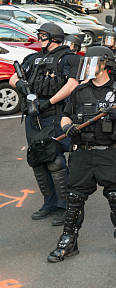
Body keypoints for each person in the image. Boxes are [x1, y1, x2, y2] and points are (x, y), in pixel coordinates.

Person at [47, 46, 116, 262]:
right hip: (82, 154)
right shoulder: (79, 91)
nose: (87, 66)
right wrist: (67, 127)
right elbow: (65, 116)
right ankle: (68, 241)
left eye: (92, 62)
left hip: (110, 154)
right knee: (74, 197)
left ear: (104, 64)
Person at [9, 23, 80, 226]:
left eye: (43, 35)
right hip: (33, 115)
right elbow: (15, 77)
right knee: (37, 159)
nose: (40, 39)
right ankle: (49, 203)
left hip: (54, 114)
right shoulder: (32, 58)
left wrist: (49, 102)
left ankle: (65, 206)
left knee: (54, 161)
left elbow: (73, 83)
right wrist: (20, 84)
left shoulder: (68, 58)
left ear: (54, 37)